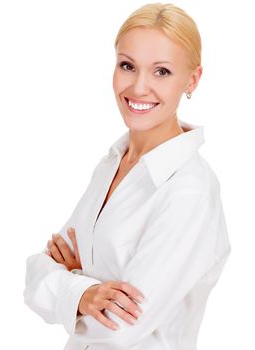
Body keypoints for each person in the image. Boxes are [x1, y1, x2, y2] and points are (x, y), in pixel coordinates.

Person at [23, 2, 231, 349]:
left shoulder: (189, 191)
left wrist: (73, 281)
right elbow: (35, 274)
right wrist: (87, 290)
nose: (138, 87)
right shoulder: (113, 163)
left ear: (192, 79)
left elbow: (119, 325)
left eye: (161, 71)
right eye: (127, 66)